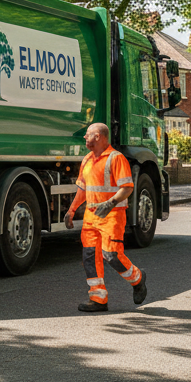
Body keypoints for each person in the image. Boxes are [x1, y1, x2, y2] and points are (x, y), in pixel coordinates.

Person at [66, 123, 147, 312]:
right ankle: (98, 298)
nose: (85, 138)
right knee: (90, 256)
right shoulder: (86, 160)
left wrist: (110, 203)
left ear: (99, 136)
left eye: (88, 135)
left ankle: (138, 278)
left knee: (112, 255)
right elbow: (82, 188)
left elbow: (127, 187)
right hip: (91, 216)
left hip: (112, 215)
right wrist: (71, 210)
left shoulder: (116, 158)